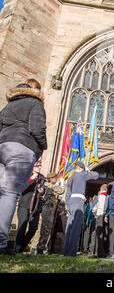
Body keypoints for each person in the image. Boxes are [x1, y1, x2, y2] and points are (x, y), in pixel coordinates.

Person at [0, 79, 47, 254]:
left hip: (2, 147)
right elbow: (37, 129)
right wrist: (42, 146)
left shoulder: (9, 106)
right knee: (9, 194)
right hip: (21, 148)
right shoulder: (35, 103)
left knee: (0, 193)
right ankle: (1, 242)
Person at [64, 161, 101, 257]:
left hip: (70, 203)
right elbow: (96, 175)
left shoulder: (70, 178)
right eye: (83, 169)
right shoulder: (82, 174)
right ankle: (71, 253)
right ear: (80, 168)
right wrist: (87, 171)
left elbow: (67, 194)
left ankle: (66, 251)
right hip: (78, 202)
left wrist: (68, 205)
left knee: (69, 228)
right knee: (75, 228)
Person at [15, 159, 47, 253]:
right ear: (32, 166)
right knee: (22, 227)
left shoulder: (42, 178)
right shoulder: (26, 175)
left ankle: (21, 247)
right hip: (24, 205)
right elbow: (21, 189)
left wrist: (42, 192)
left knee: (33, 229)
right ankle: (17, 249)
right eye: (37, 166)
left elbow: (44, 190)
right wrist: (32, 178)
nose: (39, 168)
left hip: (36, 207)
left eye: (40, 166)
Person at [36, 172, 64, 254]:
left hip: (49, 209)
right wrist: (62, 184)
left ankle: (41, 247)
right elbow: (61, 190)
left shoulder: (48, 185)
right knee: (46, 228)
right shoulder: (49, 185)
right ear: (51, 179)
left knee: (46, 228)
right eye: (55, 178)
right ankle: (41, 247)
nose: (56, 180)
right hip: (48, 209)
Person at [92, 184, 109, 258]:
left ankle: (99, 253)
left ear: (101, 190)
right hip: (105, 216)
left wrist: (95, 214)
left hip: (99, 215)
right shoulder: (108, 197)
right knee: (105, 234)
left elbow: (94, 208)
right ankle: (105, 251)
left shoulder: (99, 197)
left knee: (99, 234)